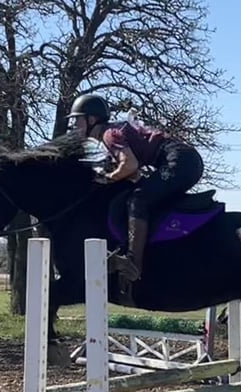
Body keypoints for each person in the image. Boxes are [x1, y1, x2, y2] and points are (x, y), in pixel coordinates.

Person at [66, 93, 204, 294]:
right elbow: (134, 172)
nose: (74, 126)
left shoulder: (108, 134)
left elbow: (129, 164)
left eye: (76, 120)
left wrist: (108, 177)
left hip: (180, 161)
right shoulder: (111, 132)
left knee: (138, 200)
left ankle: (133, 263)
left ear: (91, 119)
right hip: (182, 160)